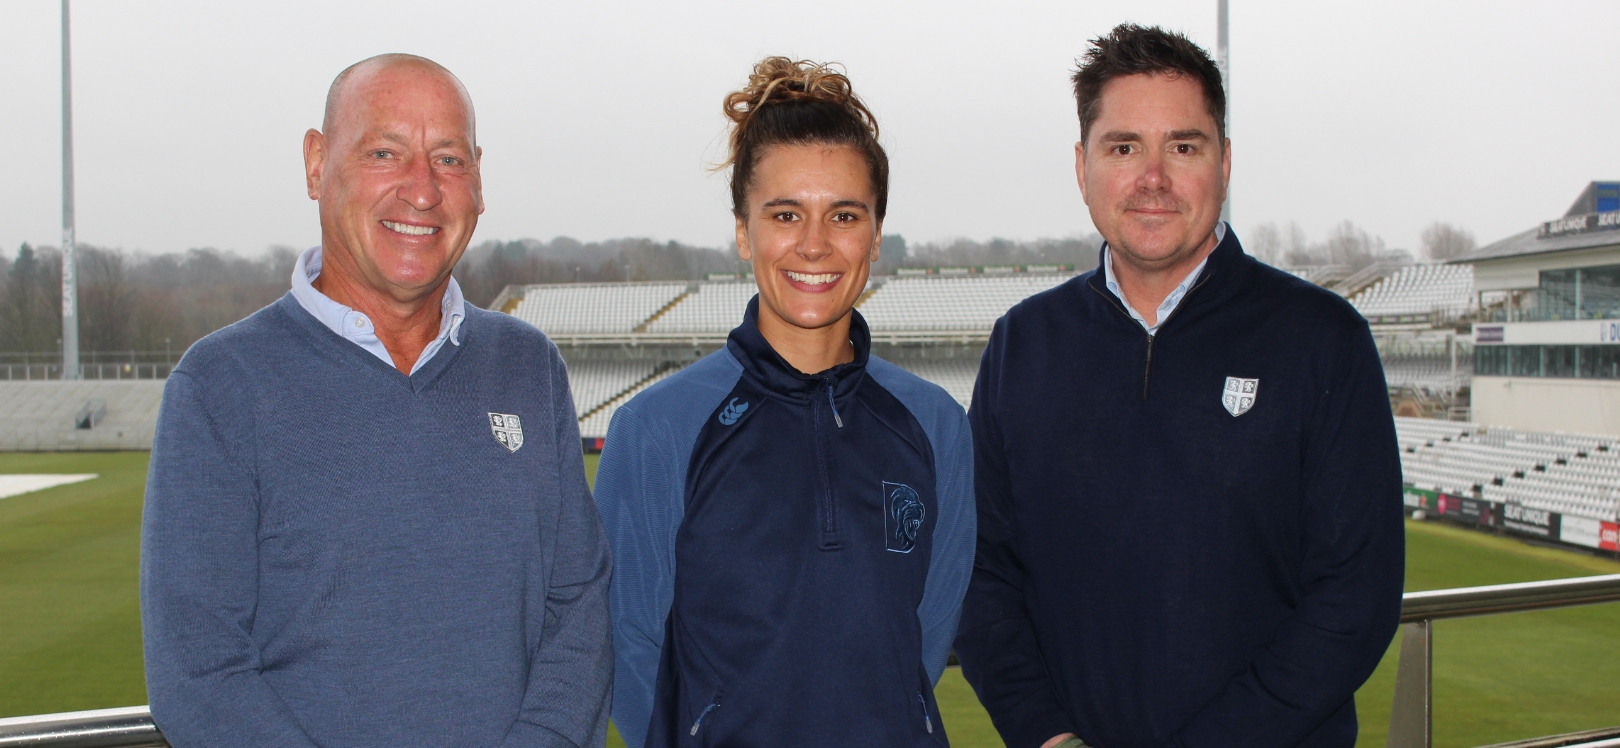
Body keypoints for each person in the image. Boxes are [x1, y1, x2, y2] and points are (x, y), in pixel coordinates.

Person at [140, 54, 612, 747]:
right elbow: (200, 669)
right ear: (315, 164)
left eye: (448, 159)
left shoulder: (527, 366)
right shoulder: (220, 385)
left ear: (478, 180)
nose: (421, 191)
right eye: (385, 152)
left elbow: (579, 610)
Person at [954, 25, 1405, 748]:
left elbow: (1357, 597)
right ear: (1082, 166)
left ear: (1224, 164)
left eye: (1184, 147)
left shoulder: (1324, 340)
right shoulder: (1022, 343)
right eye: (1124, 147)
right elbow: (981, 574)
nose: (1152, 178)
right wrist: (1045, 734)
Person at [592, 57, 975, 748]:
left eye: (845, 215)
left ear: (877, 235)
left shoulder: (936, 425)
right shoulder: (656, 429)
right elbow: (628, 647)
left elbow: (927, 631)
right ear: (744, 231)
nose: (815, 244)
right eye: (786, 213)